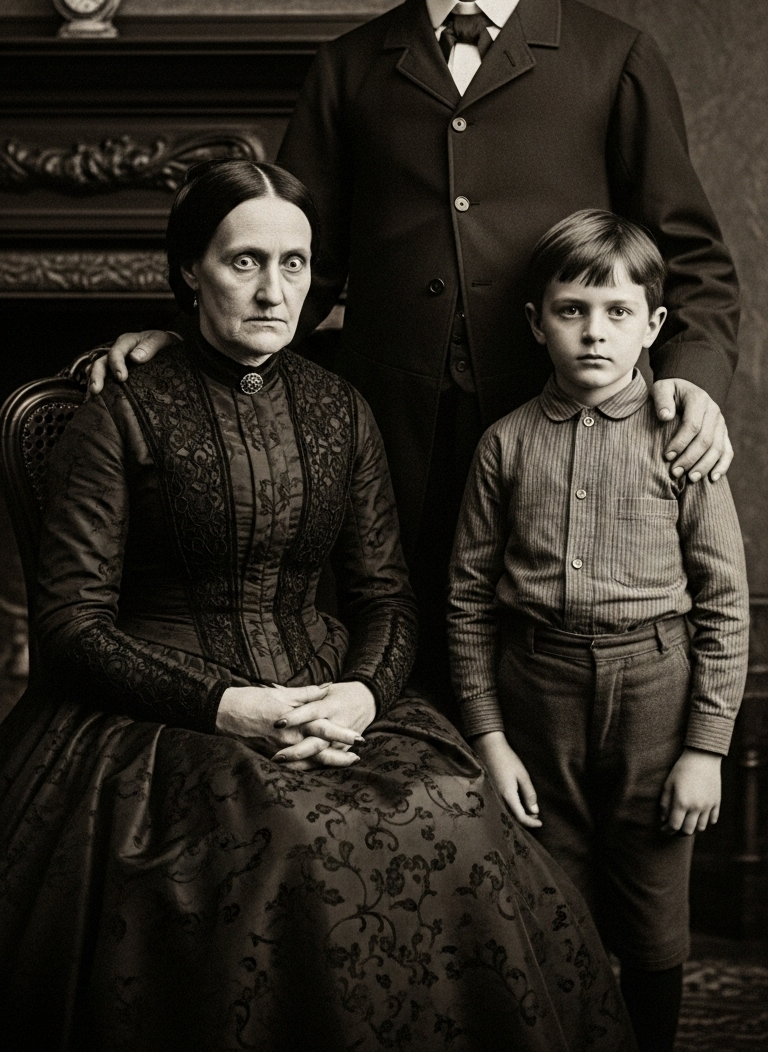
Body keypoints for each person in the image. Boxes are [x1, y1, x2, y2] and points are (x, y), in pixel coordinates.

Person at [89, 0, 739, 708]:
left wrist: (695, 384)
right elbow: (291, 256)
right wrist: (189, 342)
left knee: (542, 700)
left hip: (564, 438)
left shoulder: (613, 58)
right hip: (388, 444)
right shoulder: (349, 68)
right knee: (407, 680)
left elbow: (695, 258)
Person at [0, 163, 636, 1052]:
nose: (274, 289)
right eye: (245, 261)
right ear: (192, 270)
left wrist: (363, 695)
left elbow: (385, 596)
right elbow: (71, 627)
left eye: (294, 264)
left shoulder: (340, 409)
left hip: (328, 693)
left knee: (452, 804)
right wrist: (232, 707)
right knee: (291, 834)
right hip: (161, 716)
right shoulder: (121, 411)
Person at [447, 209, 749, 1052]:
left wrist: (706, 749)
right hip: (535, 690)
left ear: (653, 324)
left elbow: (725, 601)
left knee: (653, 911)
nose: (593, 333)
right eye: (572, 310)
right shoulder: (504, 447)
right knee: (551, 900)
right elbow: (468, 600)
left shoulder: (680, 442)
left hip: (656, 689)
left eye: (617, 313)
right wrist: (491, 738)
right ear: (536, 324)